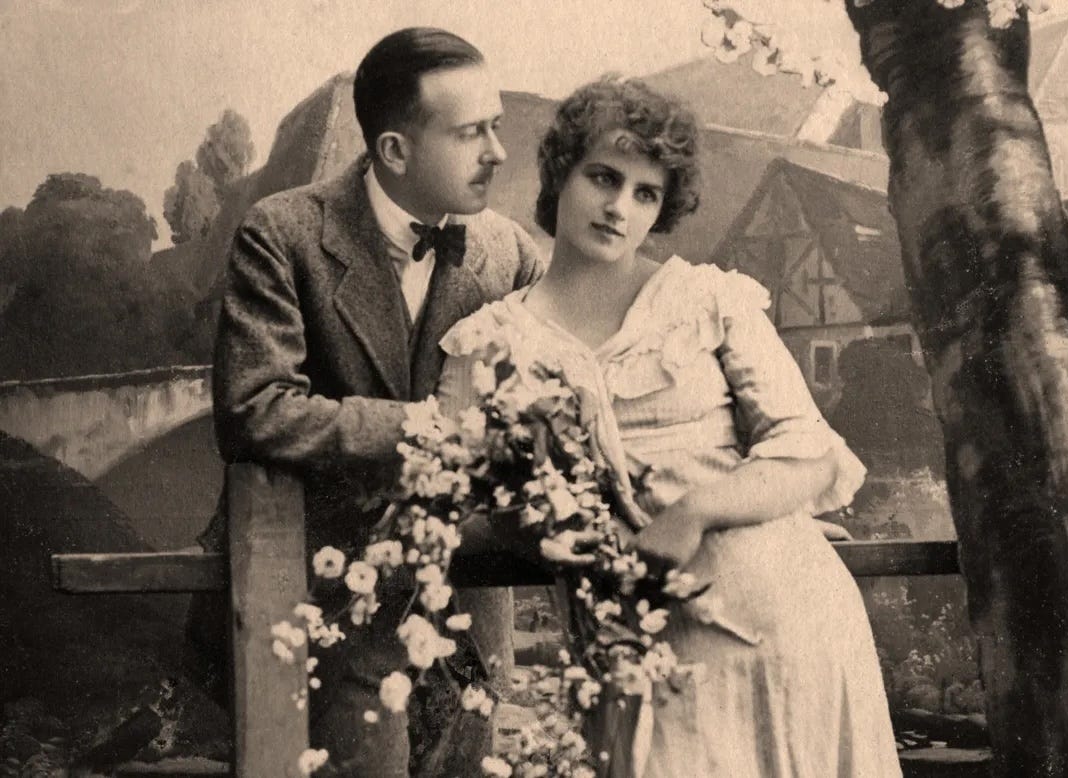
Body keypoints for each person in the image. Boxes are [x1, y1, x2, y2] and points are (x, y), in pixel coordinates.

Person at [436, 76, 902, 777]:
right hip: (637, 652)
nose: (620, 207)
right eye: (604, 177)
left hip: (787, 626)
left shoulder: (706, 300)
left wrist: (697, 509)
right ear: (561, 173)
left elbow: (805, 449)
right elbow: (463, 496)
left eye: (645, 193)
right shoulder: (486, 345)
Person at [191, 27, 544, 777]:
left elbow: (543, 405)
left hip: (464, 598)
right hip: (321, 593)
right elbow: (254, 407)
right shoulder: (282, 234)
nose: (498, 152)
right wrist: (424, 427)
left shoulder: (508, 251)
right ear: (394, 151)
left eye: (497, 127)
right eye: (471, 132)